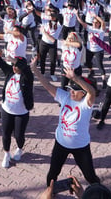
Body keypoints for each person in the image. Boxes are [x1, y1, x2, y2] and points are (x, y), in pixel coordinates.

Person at [31, 58, 100, 187]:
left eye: (74, 90)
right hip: (61, 144)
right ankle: (50, 194)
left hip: (81, 147)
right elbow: (47, 85)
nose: (71, 92)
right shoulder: (65, 97)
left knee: (90, 176)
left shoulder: (86, 103)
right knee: (52, 174)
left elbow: (92, 92)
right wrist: (35, 70)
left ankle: (101, 194)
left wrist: (75, 78)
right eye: (70, 89)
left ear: (83, 93)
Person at [0, 44, 34, 168]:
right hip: (7, 110)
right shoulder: (9, 72)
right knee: (5, 134)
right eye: (13, 65)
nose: (14, 68)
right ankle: (7, 154)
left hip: (21, 112)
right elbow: (0, 62)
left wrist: (20, 62)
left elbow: (26, 69)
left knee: (19, 135)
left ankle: (19, 149)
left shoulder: (27, 77)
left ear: (23, 67)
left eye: (17, 66)